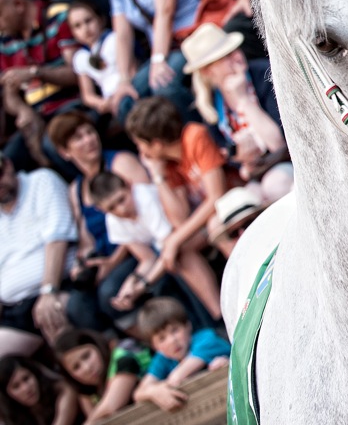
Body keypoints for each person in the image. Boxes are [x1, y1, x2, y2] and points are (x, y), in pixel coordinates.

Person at [47, 111, 150, 327]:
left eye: (89, 132)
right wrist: (83, 263)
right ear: (65, 152)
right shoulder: (76, 189)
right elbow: (86, 240)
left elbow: (147, 213)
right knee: (77, 305)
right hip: (106, 258)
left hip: (139, 247)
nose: (88, 140)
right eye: (78, 138)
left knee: (109, 291)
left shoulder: (121, 163)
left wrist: (113, 262)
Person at [90, 0, 197, 124]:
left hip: (190, 37)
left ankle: (207, 138)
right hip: (166, 50)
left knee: (164, 85)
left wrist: (158, 59)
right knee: (125, 102)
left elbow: (165, 12)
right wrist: (123, 80)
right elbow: (122, 35)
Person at [90, 170, 223, 323]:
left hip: (193, 232)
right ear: (101, 210)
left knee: (175, 263)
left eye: (121, 200)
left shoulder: (146, 198)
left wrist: (143, 284)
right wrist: (131, 284)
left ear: (129, 185)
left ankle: (215, 319)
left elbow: (170, 250)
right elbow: (147, 258)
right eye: (112, 208)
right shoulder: (113, 221)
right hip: (167, 247)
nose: (121, 210)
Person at [181, 23, 293, 203]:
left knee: (275, 185)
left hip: (291, 161)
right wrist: (245, 160)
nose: (236, 56)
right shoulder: (210, 107)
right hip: (258, 173)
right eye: (225, 56)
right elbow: (233, 159)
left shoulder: (264, 74)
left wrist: (243, 100)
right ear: (208, 71)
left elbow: (278, 143)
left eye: (234, 50)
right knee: (243, 204)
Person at [125, 97, 240, 259]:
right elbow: (179, 219)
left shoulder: (194, 136)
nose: (140, 150)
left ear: (157, 144)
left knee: (211, 226)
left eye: (140, 143)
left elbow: (217, 196)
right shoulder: (167, 163)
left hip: (235, 198)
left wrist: (176, 239)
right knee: (180, 251)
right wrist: (158, 176)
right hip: (211, 216)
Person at [0, 0, 79, 175]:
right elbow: (9, 94)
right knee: (7, 163)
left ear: (18, 5)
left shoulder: (59, 16)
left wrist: (36, 73)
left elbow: (79, 73)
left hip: (72, 104)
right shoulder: (5, 42)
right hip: (36, 116)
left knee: (51, 145)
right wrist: (22, 111)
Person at [0, 156, 77, 357]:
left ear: (8, 164)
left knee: (64, 321)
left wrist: (49, 291)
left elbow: (57, 238)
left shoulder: (40, 181)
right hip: (15, 308)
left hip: (58, 286)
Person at [133, 297, 230, 413]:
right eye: (162, 338)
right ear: (155, 347)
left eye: (174, 330)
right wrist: (154, 392)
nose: (172, 340)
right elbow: (138, 394)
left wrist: (159, 386)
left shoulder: (207, 339)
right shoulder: (162, 359)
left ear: (187, 326)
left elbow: (177, 378)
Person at [53, 328, 154, 425]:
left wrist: (88, 423)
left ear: (97, 345)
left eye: (86, 356)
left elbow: (111, 406)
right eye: (76, 367)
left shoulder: (124, 357)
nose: (87, 368)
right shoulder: (87, 391)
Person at [63, 2, 124, 118]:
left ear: (101, 20)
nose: (85, 29)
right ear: (73, 33)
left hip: (126, 88)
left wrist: (117, 96)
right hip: (108, 100)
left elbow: (132, 69)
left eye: (88, 21)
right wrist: (101, 103)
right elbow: (87, 95)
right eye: (77, 26)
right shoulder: (80, 57)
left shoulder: (115, 39)